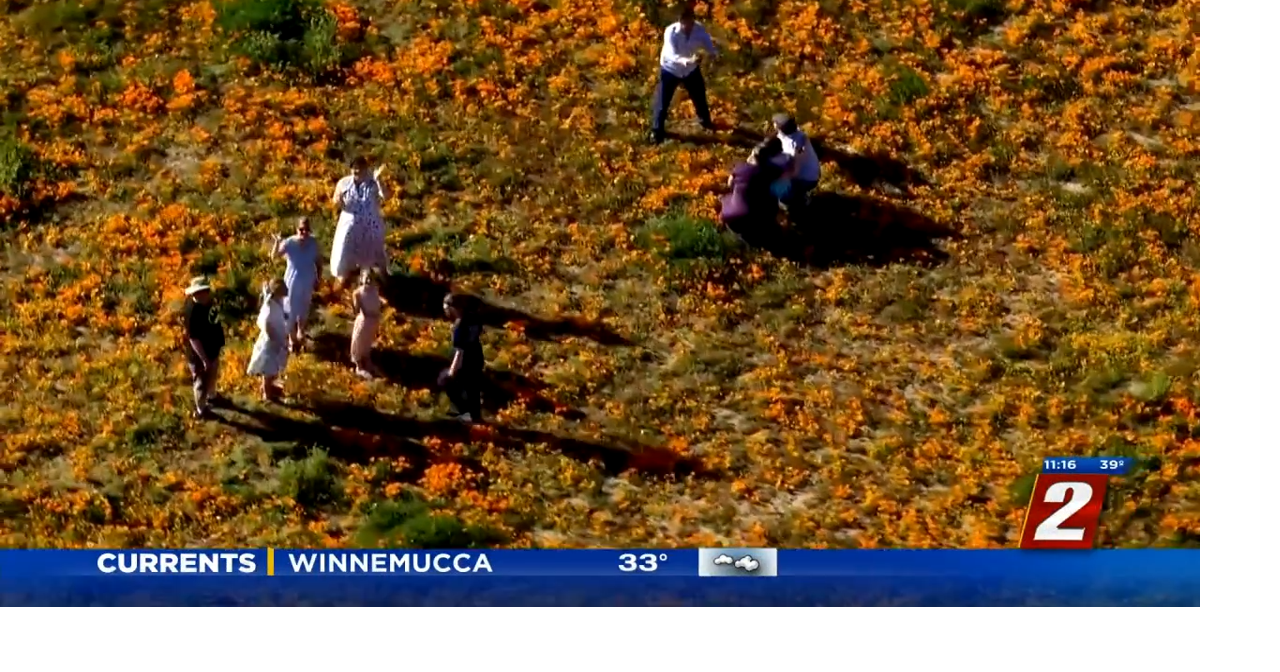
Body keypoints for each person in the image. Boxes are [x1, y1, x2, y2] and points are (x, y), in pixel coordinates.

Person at [650, 5, 718, 145]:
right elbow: (671, 55)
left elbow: (707, 43)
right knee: (663, 101)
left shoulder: (699, 29)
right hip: (671, 69)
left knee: (699, 96)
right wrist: (687, 61)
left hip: (690, 71)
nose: (687, 26)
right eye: (685, 23)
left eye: (690, 22)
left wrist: (712, 53)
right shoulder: (671, 32)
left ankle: (705, 121)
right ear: (680, 21)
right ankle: (657, 131)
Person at [330, 156, 388, 289]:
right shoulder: (344, 183)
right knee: (344, 255)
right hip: (349, 226)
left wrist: (379, 180)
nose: (357, 172)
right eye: (354, 169)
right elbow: (336, 201)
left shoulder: (373, 182)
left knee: (374, 257)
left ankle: (381, 285)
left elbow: (386, 196)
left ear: (366, 169)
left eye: (360, 169)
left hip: (370, 225)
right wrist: (338, 201)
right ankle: (340, 287)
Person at [271, 216, 322, 353]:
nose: (304, 233)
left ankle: (301, 331)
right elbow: (274, 256)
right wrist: (276, 242)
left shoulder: (313, 243)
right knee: (290, 309)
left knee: (304, 307)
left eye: (306, 230)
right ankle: (292, 339)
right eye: (301, 229)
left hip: (307, 279)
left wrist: (318, 279)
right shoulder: (289, 243)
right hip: (292, 281)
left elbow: (318, 262)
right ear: (296, 229)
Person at [720, 138, 786, 242]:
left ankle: (738, 233)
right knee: (770, 203)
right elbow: (781, 192)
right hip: (759, 221)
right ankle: (760, 234)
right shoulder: (774, 172)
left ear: (752, 155)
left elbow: (730, 184)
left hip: (734, 220)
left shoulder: (740, 168)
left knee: (730, 198)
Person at [438, 293, 485, 423]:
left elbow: (460, 351)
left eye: (446, 309)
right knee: (473, 389)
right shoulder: (474, 318)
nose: (446, 312)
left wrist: (452, 371)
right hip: (477, 357)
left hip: (465, 362)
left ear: (453, 308)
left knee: (445, 381)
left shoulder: (459, 327)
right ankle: (475, 416)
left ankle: (465, 413)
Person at [182, 277, 225, 419]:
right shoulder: (192, 311)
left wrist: (219, 344)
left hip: (212, 348)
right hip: (198, 354)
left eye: (204, 291)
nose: (201, 295)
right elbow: (193, 339)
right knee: (200, 381)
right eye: (198, 293)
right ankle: (201, 410)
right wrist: (204, 359)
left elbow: (215, 321)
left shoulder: (210, 303)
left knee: (213, 374)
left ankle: (212, 396)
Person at [246, 279, 290, 402]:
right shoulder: (270, 306)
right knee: (268, 370)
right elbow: (266, 324)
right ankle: (267, 394)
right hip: (270, 341)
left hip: (277, 338)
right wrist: (272, 337)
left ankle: (269, 388)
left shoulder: (276, 302)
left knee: (273, 368)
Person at [771, 113, 822, 211]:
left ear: (779, 127)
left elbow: (794, 171)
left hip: (807, 178)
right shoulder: (794, 133)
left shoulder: (793, 146)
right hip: (807, 172)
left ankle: (793, 201)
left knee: (775, 187)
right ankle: (798, 194)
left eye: (775, 123)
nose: (773, 123)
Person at [349, 269, 384, 379]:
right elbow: (357, 309)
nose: (368, 281)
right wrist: (355, 302)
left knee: (367, 343)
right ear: (361, 279)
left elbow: (377, 302)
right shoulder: (358, 293)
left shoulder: (375, 290)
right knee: (359, 342)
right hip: (365, 321)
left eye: (371, 278)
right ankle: (359, 366)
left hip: (373, 321)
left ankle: (368, 363)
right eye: (366, 278)